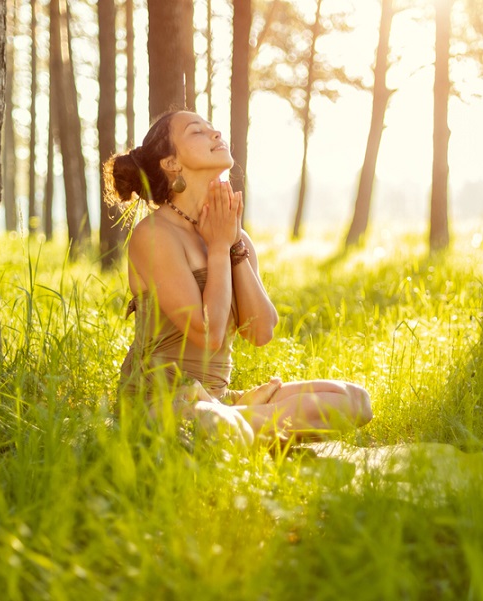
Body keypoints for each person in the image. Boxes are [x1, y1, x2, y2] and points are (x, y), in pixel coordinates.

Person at [102, 109, 373, 448]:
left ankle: (240, 424)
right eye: (197, 132)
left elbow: (260, 331)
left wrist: (233, 245)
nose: (216, 134)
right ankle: (238, 425)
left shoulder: (232, 232)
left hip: (218, 400)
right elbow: (209, 335)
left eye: (213, 128)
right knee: (210, 421)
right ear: (171, 163)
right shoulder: (155, 234)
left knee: (355, 400)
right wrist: (218, 248)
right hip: (158, 404)